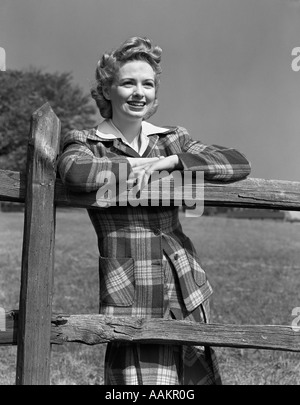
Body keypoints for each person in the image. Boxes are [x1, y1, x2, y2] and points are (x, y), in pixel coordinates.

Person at [58, 36, 251, 385]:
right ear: (107, 90)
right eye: (127, 82)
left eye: (147, 84)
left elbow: (238, 163)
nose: (138, 92)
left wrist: (175, 161)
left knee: (192, 383)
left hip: (185, 283)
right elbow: (74, 172)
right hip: (130, 290)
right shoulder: (86, 142)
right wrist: (138, 169)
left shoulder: (172, 139)